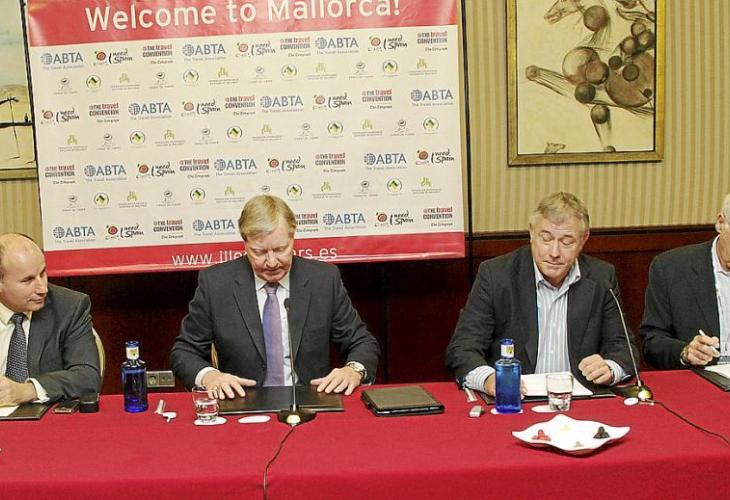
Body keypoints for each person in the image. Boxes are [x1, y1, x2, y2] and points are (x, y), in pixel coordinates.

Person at [170, 195, 379, 398]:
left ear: (293, 237)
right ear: (245, 243)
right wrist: (210, 377)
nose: (271, 262)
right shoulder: (216, 284)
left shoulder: (323, 279)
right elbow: (184, 351)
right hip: (242, 403)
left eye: (280, 249)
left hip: (311, 403)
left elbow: (362, 342)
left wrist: (353, 370)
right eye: (260, 252)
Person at [446, 192, 636, 395]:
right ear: (531, 233)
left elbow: (623, 346)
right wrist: (490, 380)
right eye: (546, 238)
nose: (554, 252)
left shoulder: (601, 277)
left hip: (579, 399)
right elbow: (463, 348)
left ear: (583, 240)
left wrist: (609, 368)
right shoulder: (496, 275)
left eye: (566, 242)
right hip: (515, 399)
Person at [0, 233, 100, 405]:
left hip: (43, 416)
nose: (42, 288)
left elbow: (87, 377)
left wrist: (29, 390)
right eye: (28, 280)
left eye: (43, 273)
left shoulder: (68, 306)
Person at [640, 194, 730, 369]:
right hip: (701, 379)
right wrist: (685, 352)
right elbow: (652, 342)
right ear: (721, 223)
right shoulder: (672, 268)